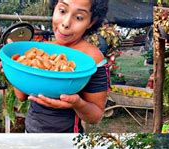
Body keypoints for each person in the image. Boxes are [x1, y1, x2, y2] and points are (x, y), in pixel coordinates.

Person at [14, 0, 109, 133]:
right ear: (54, 8)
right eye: (62, 11)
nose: (65, 23)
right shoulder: (45, 50)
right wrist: (14, 68)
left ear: (91, 21)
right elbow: (21, 96)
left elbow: (96, 116)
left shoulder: (93, 59)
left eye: (79, 17)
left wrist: (78, 104)